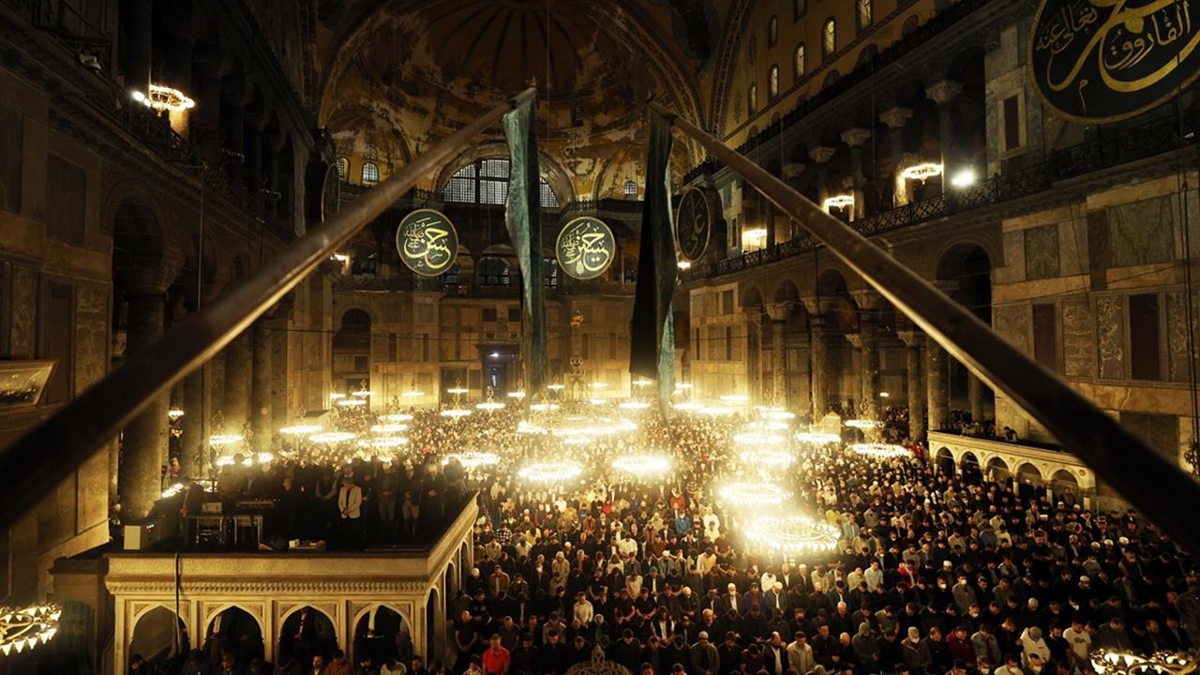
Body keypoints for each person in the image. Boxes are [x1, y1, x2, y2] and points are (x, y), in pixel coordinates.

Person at [338, 476, 363, 550]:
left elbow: (358, 502)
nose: (345, 486)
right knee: (345, 531)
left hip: (354, 514)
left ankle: (355, 547)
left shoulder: (357, 489)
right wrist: (343, 510)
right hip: (344, 514)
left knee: (354, 531)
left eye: (346, 484)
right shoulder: (342, 489)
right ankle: (346, 546)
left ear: (350, 483)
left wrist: (349, 510)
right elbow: (339, 501)